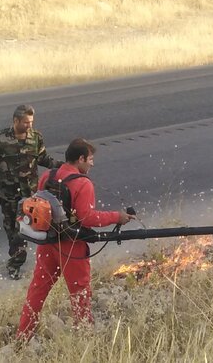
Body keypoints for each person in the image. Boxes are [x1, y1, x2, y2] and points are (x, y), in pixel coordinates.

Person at [16, 138, 134, 341]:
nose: (92, 164)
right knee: (80, 294)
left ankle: (23, 335)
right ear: (80, 159)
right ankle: (85, 338)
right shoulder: (82, 183)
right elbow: (87, 217)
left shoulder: (47, 175)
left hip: (48, 243)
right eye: (90, 159)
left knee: (37, 290)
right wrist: (118, 217)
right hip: (72, 248)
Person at [0, 104, 62, 280]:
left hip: (29, 195)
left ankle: (16, 263)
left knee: (23, 227)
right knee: (11, 227)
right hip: (8, 194)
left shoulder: (36, 137)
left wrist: (64, 167)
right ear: (15, 121)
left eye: (31, 122)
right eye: (26, 122)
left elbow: (43, 158)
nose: (29, 126)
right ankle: (16, 254)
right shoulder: (0, 139)